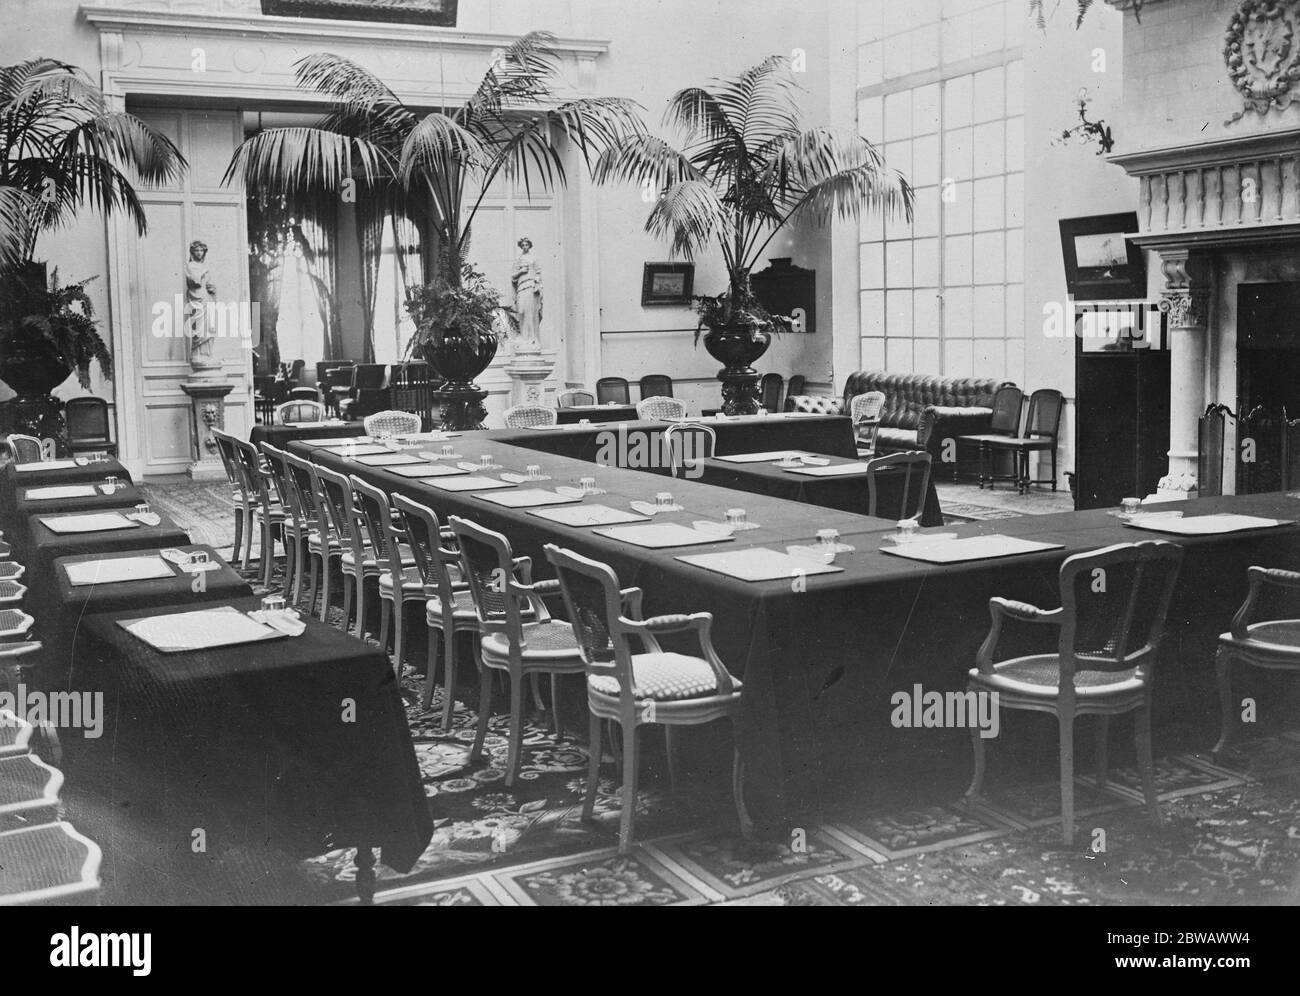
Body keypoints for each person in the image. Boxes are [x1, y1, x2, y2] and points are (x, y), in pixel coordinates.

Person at [184, 240, 218, 366]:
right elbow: (195, 282)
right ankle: (197, 355)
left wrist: (212, 288)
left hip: (206, 297)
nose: (199, 253)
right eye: (196, 250)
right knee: (199, 327)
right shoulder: (190, 266)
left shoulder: (205, 266)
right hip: (197, 298)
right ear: (192, 252)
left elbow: (209, 283)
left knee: (209, 326)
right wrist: (203, 272)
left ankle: (207, 355)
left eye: (201, 250)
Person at [511, 237, 542, 345]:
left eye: (526, 245)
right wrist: (521, 271)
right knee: (521, 311)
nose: (525, 247)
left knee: (530, 312)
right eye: (523, 245)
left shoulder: (533, 259)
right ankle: (523, 336)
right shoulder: (518, 260)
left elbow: (538, 273)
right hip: (521, 287)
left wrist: (537, 284)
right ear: (521, 246)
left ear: (529, 245)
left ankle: (531, 337)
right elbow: (513, 276)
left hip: (530, 286)